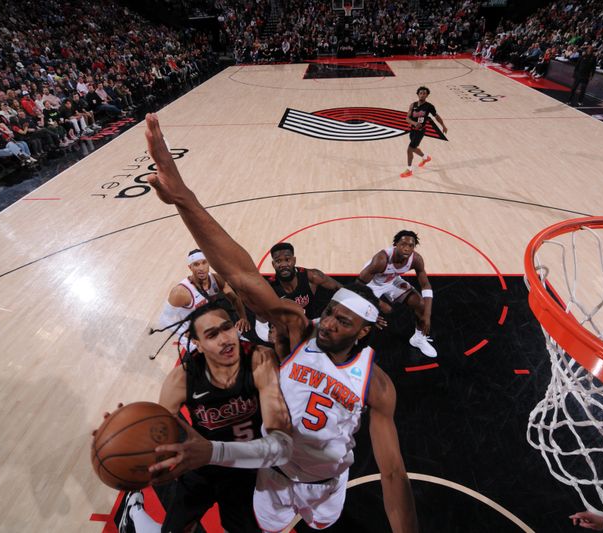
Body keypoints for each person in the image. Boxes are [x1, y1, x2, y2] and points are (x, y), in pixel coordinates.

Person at [142, 113, 419, 532]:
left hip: (327, 485)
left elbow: (393, 473)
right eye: (329, 313)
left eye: (342, 323)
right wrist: (184, 198)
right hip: (272, 477)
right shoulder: (297, 330)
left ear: (363, 332)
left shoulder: (375, 384)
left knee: (322, 524)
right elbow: (240, 274)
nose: (327, 324)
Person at [118, 301, 293, 533]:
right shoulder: (181, 379)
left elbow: (278, 436)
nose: (225, 339)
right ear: (198, 345)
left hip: (248, 466)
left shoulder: (260, 360)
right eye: (212, 335)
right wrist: (130, 439)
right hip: (202, 466)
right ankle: (134, 512)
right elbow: (161, 432)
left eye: (227, 328)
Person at [358, 230, 437, 358]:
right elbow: (358, 286)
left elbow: (426, 285)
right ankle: (355, 344)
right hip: (371, 285)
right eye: (403, 244)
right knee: (361, 314)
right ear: (395, 244)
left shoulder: (416, 259)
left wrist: (427, 315)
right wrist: (376, 303)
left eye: (411, 246)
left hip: (392, 281)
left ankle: (418, 339)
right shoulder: (381, 260)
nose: (407, 248)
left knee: (421, 305)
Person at [155, 249, 251, 353]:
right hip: (194, 336)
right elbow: (164, 320)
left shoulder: (215, 279)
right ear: (190, 267)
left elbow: (234, 299)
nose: (201, 268)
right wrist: (186, 332)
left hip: (211, 326)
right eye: (196, 264)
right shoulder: (181, 292)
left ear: (208, 263)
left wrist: (243, 317)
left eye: (204, 263)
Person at [267, 242, 342, 319]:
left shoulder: (312, 276)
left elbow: (340, 288)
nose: (283, 265)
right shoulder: (269, 288)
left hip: (311, 325)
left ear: (294, 260)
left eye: (287, 259)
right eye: (278, 261)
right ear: (273, 264)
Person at [400, 86, 447, 178]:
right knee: (414, 148)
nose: (422, 95)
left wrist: (443, 126)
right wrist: (414, 123)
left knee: (409, 149)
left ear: (427, 95)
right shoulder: (412, 105)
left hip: (420, 131)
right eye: (420, 93)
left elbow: (436, 116)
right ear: (418, 94)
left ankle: (409, 169)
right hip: (412, 130)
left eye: (424, 93)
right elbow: (407, 118)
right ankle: (425, 157)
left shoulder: (429, 106)